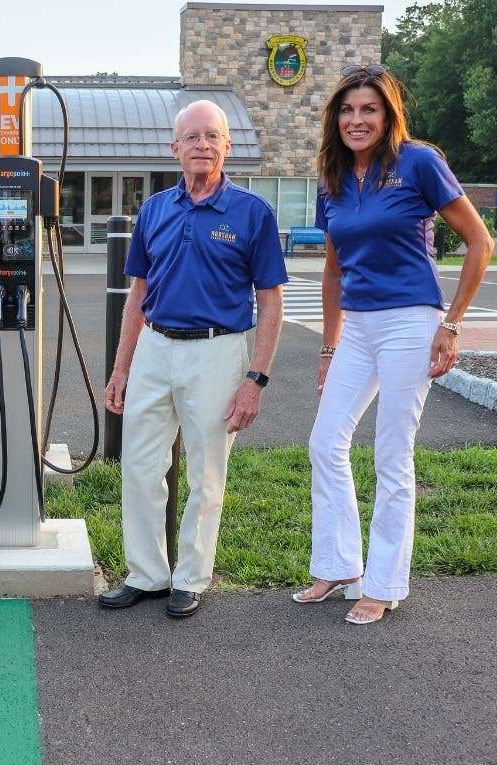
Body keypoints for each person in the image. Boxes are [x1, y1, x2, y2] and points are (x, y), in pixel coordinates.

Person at [292, 65, 492, 624]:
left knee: (390, 453)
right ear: (336, 118)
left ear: (388, 115)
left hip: (411, 321)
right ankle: (337, 565)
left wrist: (450, 325)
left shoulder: (419, 163)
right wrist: (329, 350)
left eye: (369, 110)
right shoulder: (332, 178)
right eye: (347, 110)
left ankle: (383, 583)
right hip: (357, 326)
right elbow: (332, 272)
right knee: (325, 441)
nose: (357, 120)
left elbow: (479, 242)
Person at [100, 99, 287, 618]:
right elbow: (137, 293)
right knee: (139, 468)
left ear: (227, 146)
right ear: (174, 147)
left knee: (205, 475)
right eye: (192, 137)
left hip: (217, 351)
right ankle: (147, 574)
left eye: (212, 136)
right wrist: (121, 368)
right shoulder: (155, 209)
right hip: (155, 349)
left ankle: (190, 577)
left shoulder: (253, 213)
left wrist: (256, 379)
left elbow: (270, 300)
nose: (202, 145)